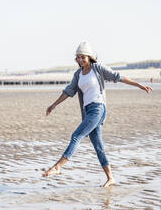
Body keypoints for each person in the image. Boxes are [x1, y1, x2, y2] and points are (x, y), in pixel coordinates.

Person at [42, 42, 152, 187]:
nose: (80, 60)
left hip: (98, 108)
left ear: (89, 57)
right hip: (88, 111)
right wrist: (54, 104)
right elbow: (69, 91)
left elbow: (118, 77)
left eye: (83, 57)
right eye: (77, 57)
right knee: (98, 146)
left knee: (76, 136)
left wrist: (139, 85)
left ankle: (58, 167)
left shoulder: (97, 69)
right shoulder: (78, 74)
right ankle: (110, 178)